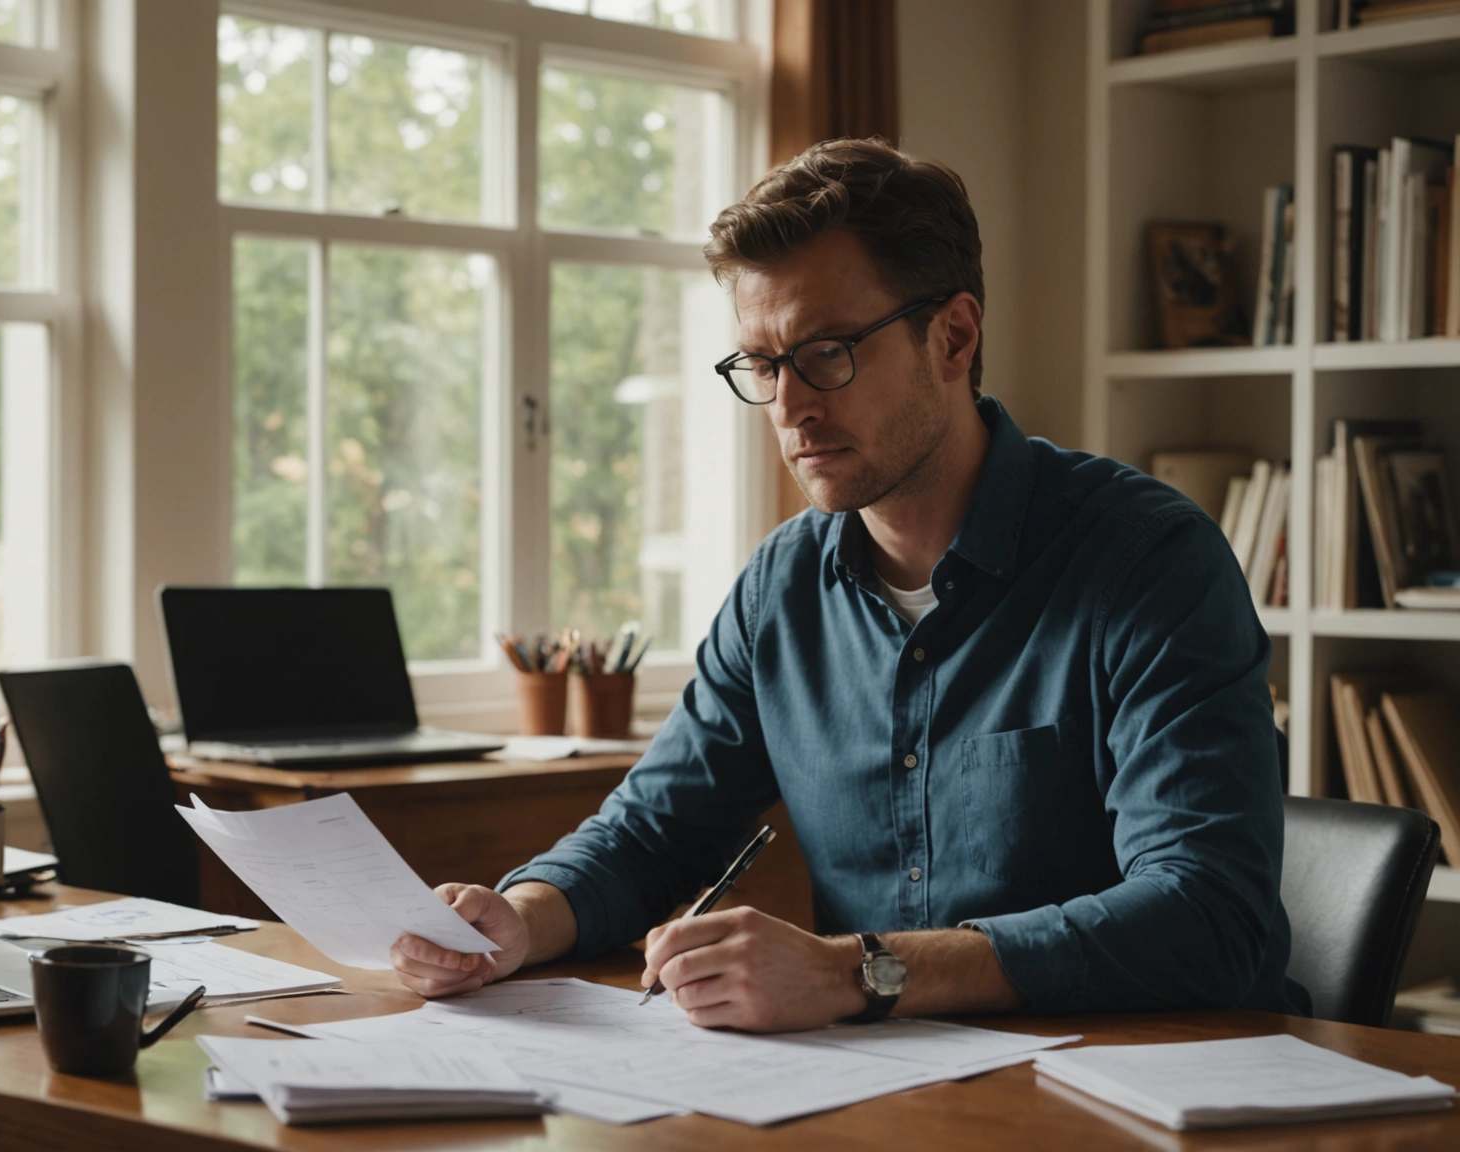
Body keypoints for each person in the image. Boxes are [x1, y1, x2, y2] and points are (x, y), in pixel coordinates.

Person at [389, 138, 1308, 1032]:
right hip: (894, 1095)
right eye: (762, 364)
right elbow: (655, 831)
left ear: (952, 337)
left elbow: (1207, 914)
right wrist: (520, 918)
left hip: (1159, 1092)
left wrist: (858, 970)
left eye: (827, 351)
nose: (789, 407)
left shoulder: (1148, 562)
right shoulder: (781, 587)